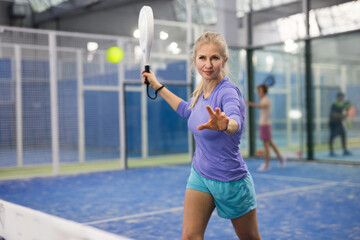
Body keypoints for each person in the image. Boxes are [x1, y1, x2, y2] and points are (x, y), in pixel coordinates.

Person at [141, 32, 261, 240]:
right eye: (202, 58)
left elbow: (235, 121)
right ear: (194, 60)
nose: (208, 64)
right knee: (190, 237)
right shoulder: (200, 91)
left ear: (224, 60)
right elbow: (188, 110)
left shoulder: (228, 92)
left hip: (230, 181)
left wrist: (225, 125)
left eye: (214, 58)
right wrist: (157, 86)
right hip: (200, 175)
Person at [245, 85, 285, 171]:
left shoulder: (267, 100)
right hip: (263, 124)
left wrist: (249, 103)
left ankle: (267, 164)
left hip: (265, 125)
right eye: (258, 91)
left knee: (266, 145)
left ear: (264, 91)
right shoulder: (263, 99)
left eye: (260, 91)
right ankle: (281, 158)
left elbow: (261, 106)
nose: (259, 92)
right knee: (271, 143)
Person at [329, 92, 351, 156]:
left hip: (339, 123)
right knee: (332, 137)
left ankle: (344, 150)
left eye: (343, 97)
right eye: (341, 97)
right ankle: (331, 151)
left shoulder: (341, 105)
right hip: (333, 123)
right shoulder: (334, 105)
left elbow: (346, 109)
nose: (342, 98)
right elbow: (334, 114)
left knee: (343, 135)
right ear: (338, 97)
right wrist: (343, 116)